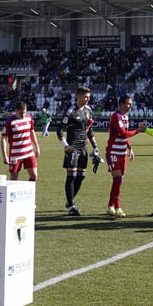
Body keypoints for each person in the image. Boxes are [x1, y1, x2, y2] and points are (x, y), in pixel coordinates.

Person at [56, 86, 99, 216]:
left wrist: (95, 146)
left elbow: (89, 130)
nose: (88, 99)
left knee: (81, 176)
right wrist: (65, 145)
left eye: (89, 97)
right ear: (78, 96)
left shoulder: (89, 110)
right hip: (72, 148)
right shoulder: (70, 111)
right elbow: (59, 130)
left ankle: (69, 201)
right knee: (72, 176)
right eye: (85, 97)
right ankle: (71, 206)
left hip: (83, 148)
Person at [106, 95, 138, 217]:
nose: (130, 106)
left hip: (122, 153)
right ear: (122, 104)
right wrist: (137, 131)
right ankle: (118, 207)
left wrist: (130, 149)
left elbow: (124, 137)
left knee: (118, 181)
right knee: (118, 179)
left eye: (131, 104)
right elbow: (123, 133)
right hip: (113, 152)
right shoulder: (116, 116)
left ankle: (110, 206)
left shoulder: (125, 116)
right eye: (128, 104)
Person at [1, 101, 39, 182]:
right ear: (16, 111)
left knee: (34, 175)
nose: (23, 115)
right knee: (13, 179)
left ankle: (30, 194)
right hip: (15, 154)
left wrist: (37, 146)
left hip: (29, 152)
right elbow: (3, 138)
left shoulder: (29, 118)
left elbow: (32, 132)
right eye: (20, 113)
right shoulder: (10, 122)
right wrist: (4, 155)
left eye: (24, 112)